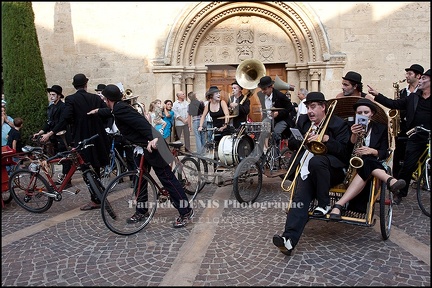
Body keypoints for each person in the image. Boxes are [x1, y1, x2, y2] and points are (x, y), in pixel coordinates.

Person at [88, 84, 194, 228]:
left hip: (153, 145)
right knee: (140, 180)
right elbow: (111, 112)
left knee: (167, 179)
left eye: (104, 98)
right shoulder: (118, 107)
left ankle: (186, 212)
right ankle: (141, 211)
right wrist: (99, 111)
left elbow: (142, 123)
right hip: (141, 148)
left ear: (107, 99)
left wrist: (153, 138)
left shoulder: (120, 109)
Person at [273, 92, 350, 256]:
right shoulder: (303, 121)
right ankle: (288, 241)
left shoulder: (339, 124)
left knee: (317, 161)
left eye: (313, 107)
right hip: (308, 172)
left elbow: (345, 153)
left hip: (332, 171)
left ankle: (324, 204)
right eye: (308, 107)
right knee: (299, 200)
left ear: (323, 107)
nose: (309, 111)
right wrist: (303, 139)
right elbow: (292, 142)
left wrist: (328, 140)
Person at [41, 73, 111, 211]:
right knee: (95, 167)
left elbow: (65, 119)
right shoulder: (95, 98)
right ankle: (98, 194)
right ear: (86, 84)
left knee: (86, 169)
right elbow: (107, 111)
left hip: (82, 138)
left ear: (74, 86)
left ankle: (95, 198)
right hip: (98, 137)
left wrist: (50, 133)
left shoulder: (71, 99)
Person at [329, 98, 406, 220]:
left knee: (368, 162)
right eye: (359, 113)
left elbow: (385, 152)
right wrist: (354, 135)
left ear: (372, 114)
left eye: (366, 112)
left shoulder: (380, 128)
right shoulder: (348, 126)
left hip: (372, 161)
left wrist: (373, 151)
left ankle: (339, 205)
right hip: (351, 162)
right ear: (355, 114)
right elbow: (345, 149)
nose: (363, 115)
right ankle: (391, 181)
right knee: (367, 163)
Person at [367, 68, 431, 205]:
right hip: (416, 135)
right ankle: (399, 193)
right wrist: (377, 95)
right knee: (408, 165)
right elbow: (394, 104)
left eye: (424, 78)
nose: (421, 80)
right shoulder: (413, 97)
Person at [33, 85, 73, 188]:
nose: (51, 97)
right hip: (55, 136)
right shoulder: (51, 107)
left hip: (62, 136)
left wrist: (49, 133)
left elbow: (61, 123)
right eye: (50, 95)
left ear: (59, 96)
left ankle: (67, 180)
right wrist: (41, 132)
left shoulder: (63, 107)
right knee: (60, 157)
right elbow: (49, 122)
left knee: (65, 158)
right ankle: (65, 177)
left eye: (53, 95)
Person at [392, 64, 424, 178]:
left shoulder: (421, 92)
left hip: (415, 127)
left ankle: (416, 176)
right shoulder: (402, 92)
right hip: (402, 126)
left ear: (418, 76)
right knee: (399, 151)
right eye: (407, 74)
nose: (407, 76)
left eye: (410, 74)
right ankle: (395, 177)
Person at [257, 76, 295, 148]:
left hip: (282, 119)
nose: (263, 91)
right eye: (262, 89)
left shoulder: (280, 96)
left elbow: (290, 108)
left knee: (276, 133)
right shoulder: (261, 95)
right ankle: (265, 151)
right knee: (261, 131)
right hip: (269, 118)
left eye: (264, 89)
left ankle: (276, 153)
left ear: (271, 87)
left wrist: (278, 113)